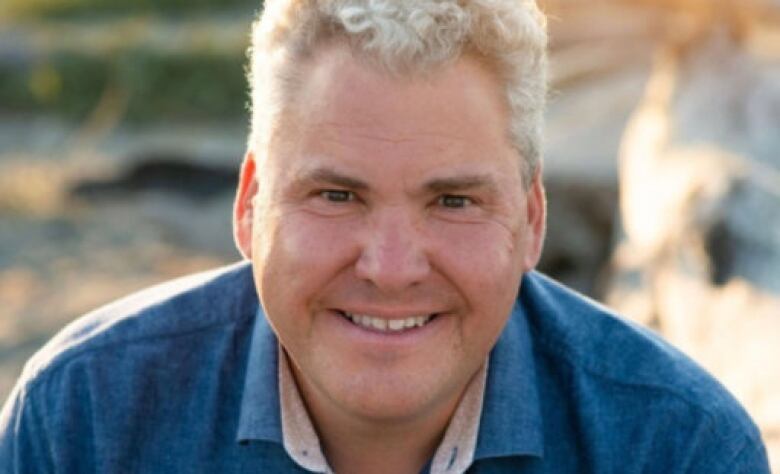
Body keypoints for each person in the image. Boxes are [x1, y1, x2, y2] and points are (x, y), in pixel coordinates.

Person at [0, 1, 770, 472]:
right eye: (336, 195)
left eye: (455, 201)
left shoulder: (675, 448)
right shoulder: (83, 421)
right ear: (248, 205)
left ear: (532, 220)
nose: (392, 268)